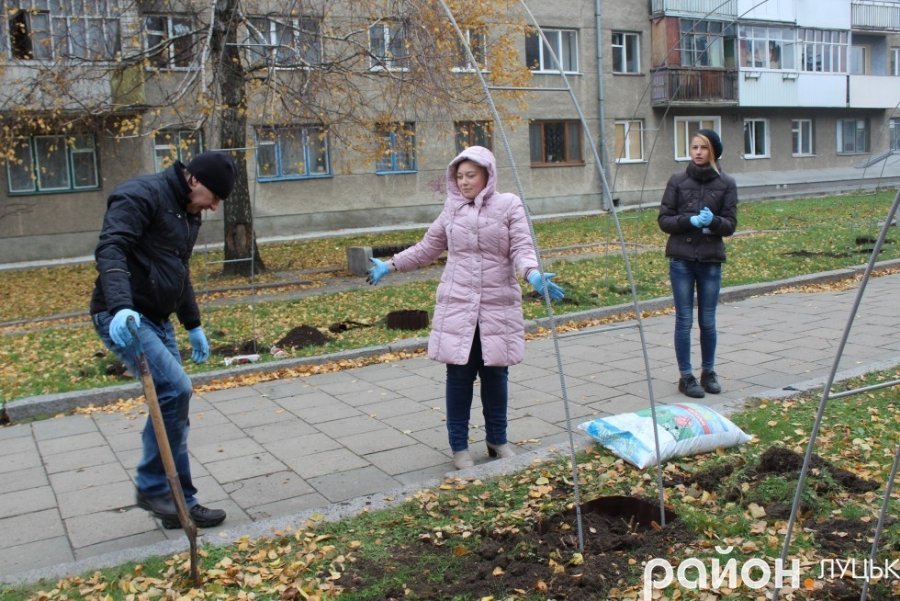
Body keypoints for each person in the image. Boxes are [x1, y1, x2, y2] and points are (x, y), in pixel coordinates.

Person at [366, 146, 564, 470]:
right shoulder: (452, 209)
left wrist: (533, 274)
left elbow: (522, 248)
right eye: (459, 176)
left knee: (496, 376)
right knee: (458, 377)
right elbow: (427, 248)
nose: (464, 182)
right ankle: (459, 447)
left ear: (488, 174)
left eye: (471, 175)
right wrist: (390, 265)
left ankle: (497, 440)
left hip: (497, 306)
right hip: (458, 306)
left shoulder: (509, 205)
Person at [90, 151, 235, 528]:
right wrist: (121, 306)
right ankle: (154, 487)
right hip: (123, 317)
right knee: (176, 389)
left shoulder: (188, 212)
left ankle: (179, 503)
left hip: (157, 318)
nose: (214, 208)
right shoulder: (140, 195)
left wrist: (192, 323)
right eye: (214, 198)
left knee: (175, 407)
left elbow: (178, 268)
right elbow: (111, 249)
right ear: (194, 180)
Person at [658, 129, 738, 399]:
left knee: (707, 320)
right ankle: (686, 376)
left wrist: (713, 221)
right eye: (694, 147)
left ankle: (709, 372)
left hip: (710, 259)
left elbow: (730, 225)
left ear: (713, 151)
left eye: (704, 148)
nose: (698, 152)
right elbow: (664, 220)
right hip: (681, 258)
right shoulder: (677, 181)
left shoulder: (726, 183)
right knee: (684, 319)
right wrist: (688, 221)